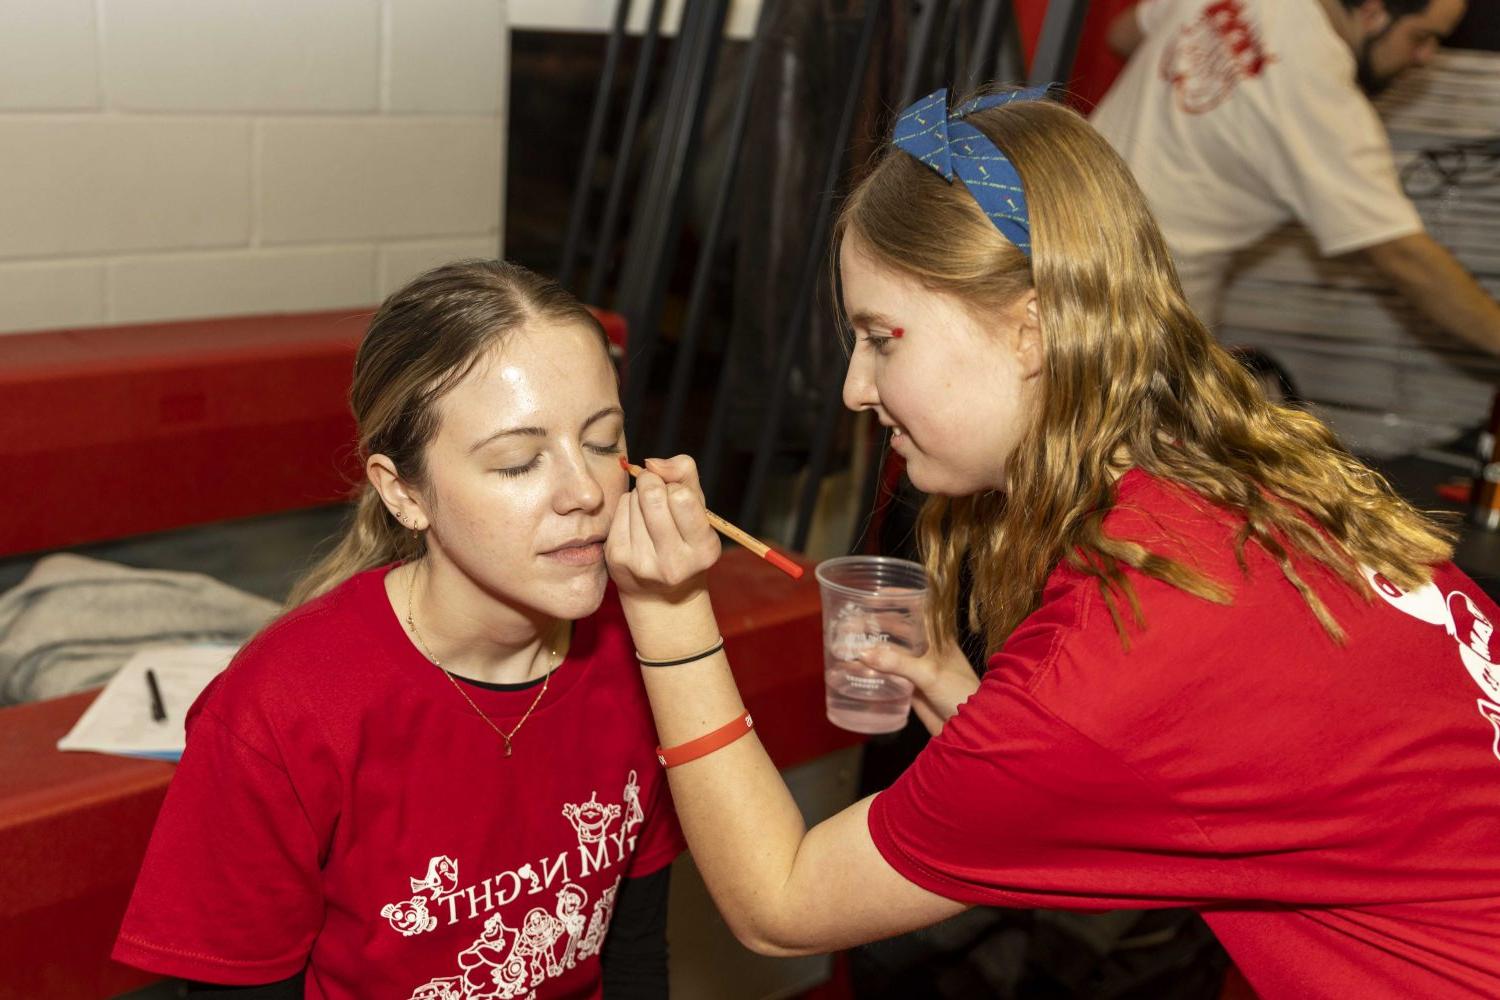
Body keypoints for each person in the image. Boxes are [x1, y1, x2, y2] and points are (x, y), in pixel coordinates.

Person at [604, 87, 1500, 998]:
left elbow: (780, 902)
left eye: (881, 338)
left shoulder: (1121, 646)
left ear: (1029, 330)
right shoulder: (1236, 482)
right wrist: (963, 694)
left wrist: (671, 611)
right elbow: (1132, 770)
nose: (853, 387)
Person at [112, 261, 682, 999]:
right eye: (518, 462)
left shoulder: (648, 653)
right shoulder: (278, 716)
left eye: (603, 443)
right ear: (403, 492)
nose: (586, 492)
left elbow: (636, 953)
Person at [1089, 0, 1500, 356]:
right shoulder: (1323, 101)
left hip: (1054, 212)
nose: (1426, 56)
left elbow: (1123, 34)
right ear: (1373, 12)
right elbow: (1406, 258)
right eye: (1422, 37)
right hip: (1136, 302)